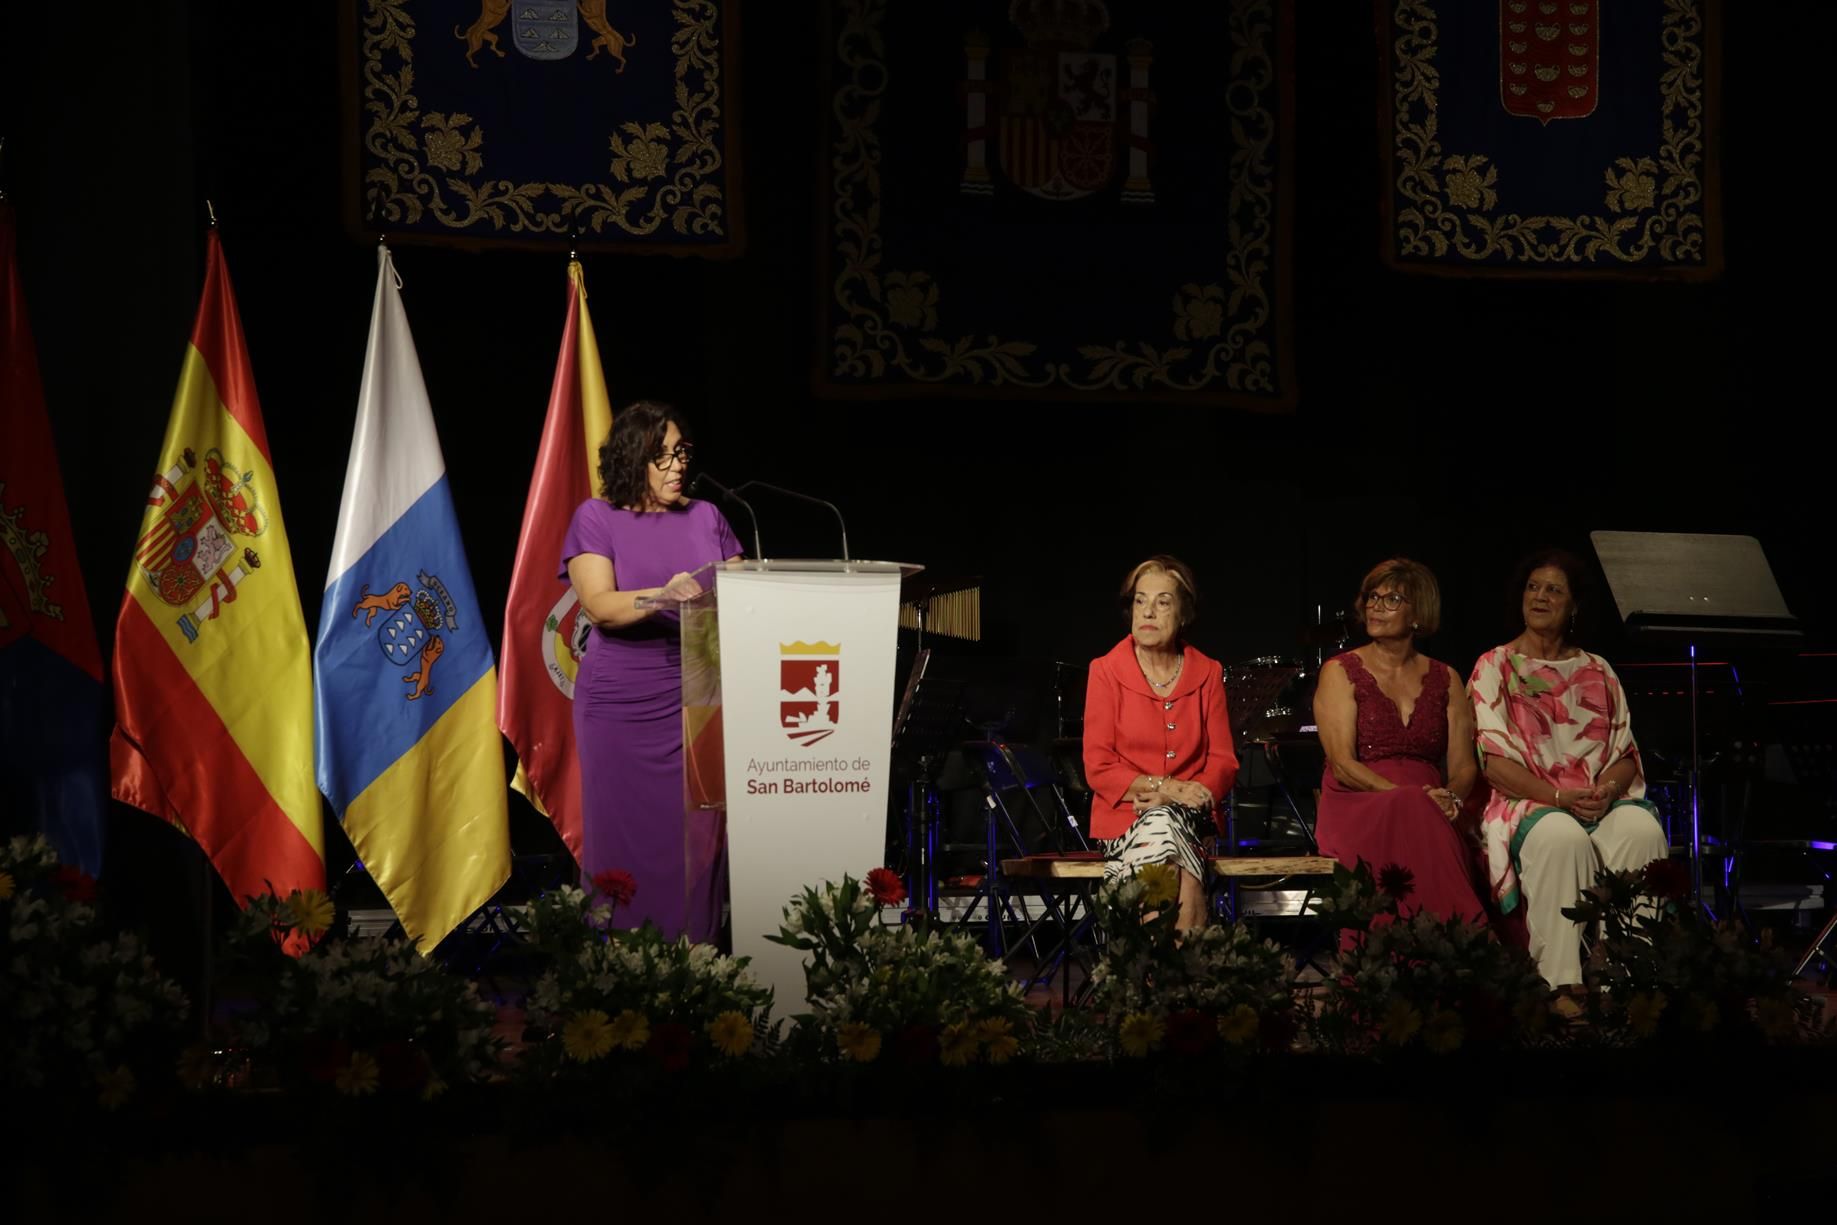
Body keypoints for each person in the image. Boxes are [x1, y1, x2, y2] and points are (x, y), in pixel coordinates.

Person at [560, 401, 743, 942]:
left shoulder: (708, 516)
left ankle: (698, 961)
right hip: (621, 707)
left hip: (698, 703)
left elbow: (745, 595)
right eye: (662, 455)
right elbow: (599, 606)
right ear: (632, 459)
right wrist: (661, 595)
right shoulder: (596, 517)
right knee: (622, 840)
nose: (678, 464)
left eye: (681, 452)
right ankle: (618, 966)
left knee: (697, 839)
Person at [1468, 549, 1668, 992]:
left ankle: (1630, 981)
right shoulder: (1495, 665)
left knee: (1642, 832)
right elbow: (1494, 764)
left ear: (1574, 605)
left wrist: (1608, 792)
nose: (1540, 597)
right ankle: (1559, 984)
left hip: (1596, 801)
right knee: (1562, 838)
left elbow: (1625, 754)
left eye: (1554, 590)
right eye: (1533, 587)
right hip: (1527, 801)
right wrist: (1558, 798)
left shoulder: (1597, 669)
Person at [1313, 558, 1487, 923]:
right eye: (1372, 597)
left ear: (1418, 614)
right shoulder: (1339, 671)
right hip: (1359, 802)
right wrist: (1411, 798)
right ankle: (1460, 936)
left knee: (1442, 827)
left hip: (1433, 805)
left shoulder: (1447, 678)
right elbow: (1342, 764)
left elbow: (1464, 767)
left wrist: (1451, 799)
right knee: (1416, 812)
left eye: (1391, 599)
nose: (1376, 606)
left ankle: (1447, 942)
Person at [1082, 556, 1238, 931]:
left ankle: (1153, 962)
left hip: (1192, 817)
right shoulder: (1105, 671)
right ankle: (1187, 961)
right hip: (1125, 821)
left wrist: (1182, 798)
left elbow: (1223, 761)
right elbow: (1098, 767)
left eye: (1162, 602)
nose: (1148, 611)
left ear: (1183, 614)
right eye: (1140, 601)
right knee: (1165, 834)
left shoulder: (1208, 672)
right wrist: (1167, 789)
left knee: (1165, 825)